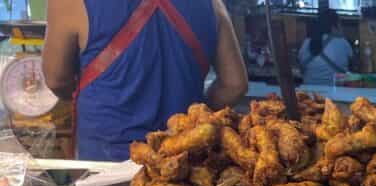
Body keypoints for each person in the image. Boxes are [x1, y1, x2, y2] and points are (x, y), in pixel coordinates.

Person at [42, 0, 248, 161]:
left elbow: (57, 80)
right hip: (182, 163)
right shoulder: (212, 4)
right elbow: (234, 85)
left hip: (105, 163)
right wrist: (195, 118)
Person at [298, 9, 354, 86]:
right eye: (340, 24)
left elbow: (301, 66)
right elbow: (352, 65)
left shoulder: (307, 42)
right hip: (337, 91)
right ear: (334, 26)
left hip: (309, 91)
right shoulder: (343, 42)